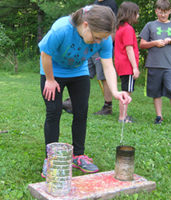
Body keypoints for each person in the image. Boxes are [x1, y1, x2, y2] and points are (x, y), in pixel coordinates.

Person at [39, 5, 131, 178]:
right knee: (53, 111)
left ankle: (78, 155)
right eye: (96, 38)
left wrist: (116, 92)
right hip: (53, 70)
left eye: (101, 39)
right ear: (86, 25)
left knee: (81, 112)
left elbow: (108, 65)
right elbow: (45, 53)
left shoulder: (103, 38)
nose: (98, 42)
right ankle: (50, 159)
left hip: (78, 71)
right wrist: (50, 80)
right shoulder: (62, 29)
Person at [63, 0, 118, 115]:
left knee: (102, 75)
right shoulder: (94, 4)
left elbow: (110, 28)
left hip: (99, 45)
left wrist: (104, 43)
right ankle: (73, 101)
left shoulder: (110, 3)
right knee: (85, 73)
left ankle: (108, 105)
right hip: (88, 44)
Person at [139, 0, 171, 128]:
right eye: (160, 12)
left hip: (170, 65)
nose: (163, 15)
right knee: (156, 92)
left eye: (165, 12)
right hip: (153, 64)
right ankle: (159, 116)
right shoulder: (150, 25)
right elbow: (142, 44)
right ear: (156, 11)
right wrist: (155, 43)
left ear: (169, 11)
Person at [114, 1, 140, 123]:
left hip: (121, 64)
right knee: (126, 92)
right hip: (127, 65)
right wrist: (135, 67)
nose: (138, 16)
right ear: (131, 14)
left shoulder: (120, 28)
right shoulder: (128, 29)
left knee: (125, 90)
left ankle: (124, 116)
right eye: (137, 13)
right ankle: (122, 117)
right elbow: (129, 49)